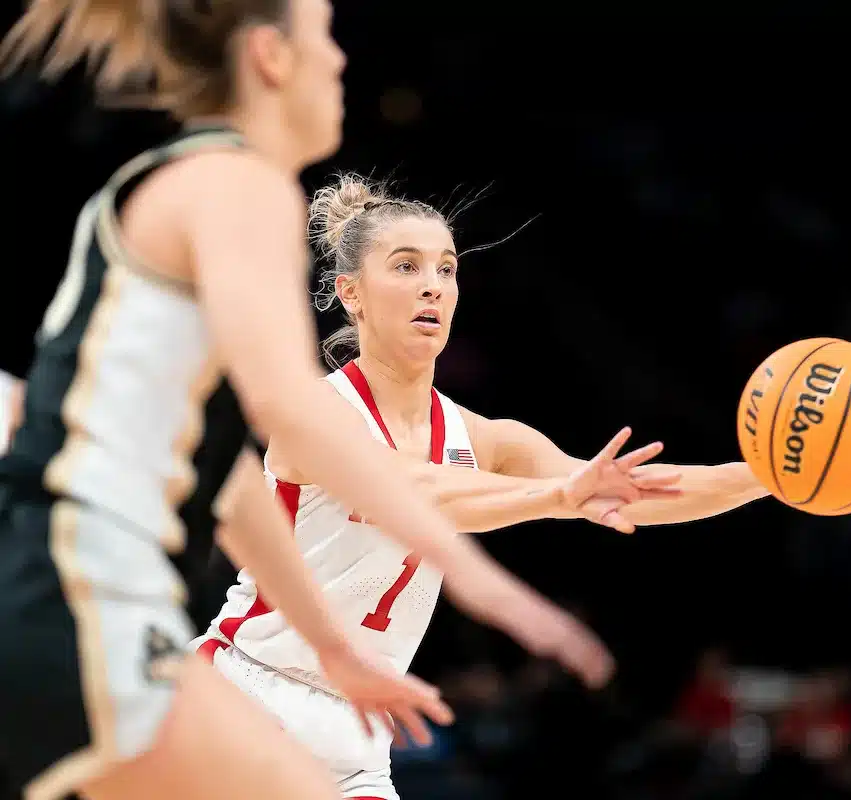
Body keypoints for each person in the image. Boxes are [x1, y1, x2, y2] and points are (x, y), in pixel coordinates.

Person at [0, 3, 676, 800]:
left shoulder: (203, 185)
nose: (341, 64)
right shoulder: (239, 185)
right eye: (326, 38)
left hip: (85, 599)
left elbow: (229, 478)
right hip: (81, 591)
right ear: (270, 58)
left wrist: (333, 646)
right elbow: (299, 418)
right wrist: (478, 577)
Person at [191, 173, 770, 800]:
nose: (432, 286)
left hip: (357, 729)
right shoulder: (314, 411)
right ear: (350, 294)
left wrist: (772, 479)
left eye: (446, 269)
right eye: (406, 267)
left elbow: (631, 494)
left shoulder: (486, 439)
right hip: (244, 690)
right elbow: (410, 495)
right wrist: (557, 497)